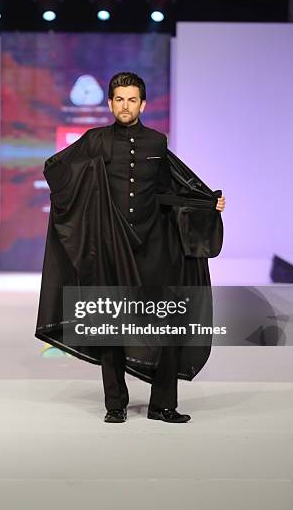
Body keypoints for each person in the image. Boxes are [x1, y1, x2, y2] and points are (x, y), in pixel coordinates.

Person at [35, 72, 225, 424]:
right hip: (111, 247)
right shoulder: (95, 140)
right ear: (110, 103)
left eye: (132, 99)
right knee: (112, 325)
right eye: (119, 99)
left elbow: (171, 190)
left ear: (143, 103)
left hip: (155, 246)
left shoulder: (156, 141)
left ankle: (163, 405)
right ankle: (116, 405)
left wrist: (205, 204)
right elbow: (55, 169)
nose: (125, 105)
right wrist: (87, 188)